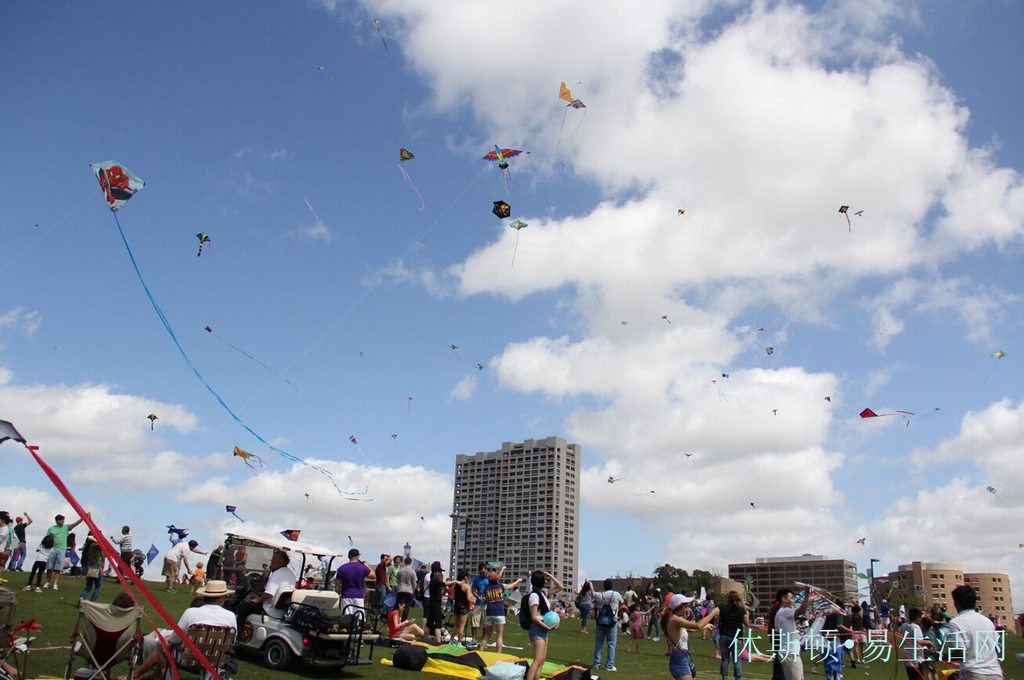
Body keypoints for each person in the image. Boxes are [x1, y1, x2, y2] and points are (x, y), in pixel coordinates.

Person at [131, 580, 237, 680]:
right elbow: (231, 641)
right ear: (222, 598)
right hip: (216, 660)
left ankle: (168, 677)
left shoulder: (191, 612)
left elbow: (175, 639)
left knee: (162, 644)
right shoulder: (231, 616)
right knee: (213, 654)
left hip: (189, 658)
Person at [945, 585, 1003, 680]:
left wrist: (940, 655)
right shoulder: (987, 621)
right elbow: (996, 647)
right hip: (995, 673)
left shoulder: (956, 622)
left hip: (974, 673)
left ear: (956, 603)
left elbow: (961, 653)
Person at [662, 593, 719, 680]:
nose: (687, 609)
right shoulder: (675, 620)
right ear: (679, 608)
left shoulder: (677, 619)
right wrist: (713, 613)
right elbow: (697, 625)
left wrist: (706, 626)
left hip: (683, 658)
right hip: (679, 660)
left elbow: (691, 629)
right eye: (686, 607)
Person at [235, 549, 296, 626]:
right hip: (282, 612)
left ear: (282, 560)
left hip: (269, 609)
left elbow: (268, 594)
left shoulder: (277, 573)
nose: (272, 560)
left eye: (274, 558)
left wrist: (257, 600)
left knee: (243, 606)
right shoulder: (291, 574)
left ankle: (237, 632)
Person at [526, 570, 563, 680]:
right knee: (537, 660)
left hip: (543, 629)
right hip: (538, 628)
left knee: (541, 660)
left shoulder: (543, 593)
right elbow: (533, 617)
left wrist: (550, 575)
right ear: (541, 582)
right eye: (545, 579)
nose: (546, 581)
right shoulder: (534, 596)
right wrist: (548, 627)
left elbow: (560, 587)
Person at [479, 570, 523, 654]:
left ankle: (480, 652)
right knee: (499, 636)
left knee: (487, 635)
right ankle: (498, 655)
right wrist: (518, 580)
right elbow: (511, 586)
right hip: (499, 613)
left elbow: (486, 598)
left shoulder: (486, 589)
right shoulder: (501, 586)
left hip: (489, 613)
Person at [773, 586, 811, 680]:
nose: (793, 600)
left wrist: (795, 628)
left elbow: (782, 630)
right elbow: (801, 610)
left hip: (789, 652)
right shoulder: (785, 611)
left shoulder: (781, 613)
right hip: (790, 653)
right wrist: (807, 595)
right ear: (784, 599)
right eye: (791, 598)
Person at [42, 513, 83, 590]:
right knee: (49, 567)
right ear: (57, 520)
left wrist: (83, 517)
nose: (63, 521)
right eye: (61, 519)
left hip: (62, 549)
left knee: (58, 568)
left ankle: (55, 584)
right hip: (52, 549)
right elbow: (46, 539)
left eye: (63, 519)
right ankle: (48, 582)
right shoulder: (51, 529)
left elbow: (75, 524)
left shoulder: (66, 527)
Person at [592, 578, 625, 672]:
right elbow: (622, 602)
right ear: (612, 586)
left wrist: (590, 585)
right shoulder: (616, 594)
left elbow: (593, 594)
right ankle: (609, 665)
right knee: (611, 644)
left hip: (600, 621)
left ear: (604, 586)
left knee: (599, 643)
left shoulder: (599, 595)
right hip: (612, 621)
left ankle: (596, 663)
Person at [718, 590, 750, 680]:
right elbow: (747, 623)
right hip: (737, 637)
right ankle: (737, 678)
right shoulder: (741, 610)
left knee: (725, 659)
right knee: (737, 659)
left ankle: (724, 677)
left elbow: (718, 620)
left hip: (724, 635)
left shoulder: (723, 608)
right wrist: (747, 614)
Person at [897, 608, 932, 680]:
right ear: (918, 618)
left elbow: (899, 631)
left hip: (907, 658)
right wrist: (929, 642)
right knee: (918, 677)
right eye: (920, 618)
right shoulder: (916, 627)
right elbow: (919, 641)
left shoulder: (904, 626)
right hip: (916, 659)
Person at [335, 548, 373, 613]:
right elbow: (373, 576)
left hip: (346, 596)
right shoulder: (362, 567)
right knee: (359, 617)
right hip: (359, 596)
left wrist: (338, 595)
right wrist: (367, 565)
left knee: (346, 618)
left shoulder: (342, 568)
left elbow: (337, 584)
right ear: (358, 556)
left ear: (349, 556)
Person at [78, 533, 105, 602]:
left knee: (88, 587)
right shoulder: (94, 546)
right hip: (97, 567)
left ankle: (82, 597)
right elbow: (100, 545)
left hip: (90, 567)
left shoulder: (90, 547)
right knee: (98, 586)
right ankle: (91, 602)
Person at [426, 561, 448, 643]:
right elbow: (444, 583)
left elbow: (439, 593)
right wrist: (455, 582)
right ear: (436, 572)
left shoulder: (434, 581)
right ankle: (438, 641)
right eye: (440, 572)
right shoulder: (434, 581)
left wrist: (444, 591)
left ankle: (426, 639)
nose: (441, 574)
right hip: (435, 604)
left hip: (434, 603)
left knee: (430, 622)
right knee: (438, 623)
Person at [470, 562, 491, 643]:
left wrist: (488, 596)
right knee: (475, 623)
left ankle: (483, 640)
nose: (482, 574)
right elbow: (473, 590)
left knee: (485, 624)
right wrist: (478, 596)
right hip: (478, 603)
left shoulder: (490, 578)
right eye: (481, 572)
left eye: (484, 572)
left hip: (487, 603)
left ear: (486, 570)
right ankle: (473, 639)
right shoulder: (476, 579)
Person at [451, 569, 472, 643]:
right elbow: (469, 598)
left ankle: (451, 640)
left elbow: (453, 597)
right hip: (464, 606)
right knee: (462, 626)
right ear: (465, 577)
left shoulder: (455, 586)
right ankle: (459, 642)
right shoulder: (466, 586)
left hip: (456, 605)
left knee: (456, 625)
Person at [395, 555, 417, 620]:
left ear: (404, 562)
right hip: (409, 590)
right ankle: (404, 620)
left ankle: (397, 618)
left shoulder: (400, 571)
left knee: (400, 606)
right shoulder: (412, 572)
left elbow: (397, 580)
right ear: (411, 563)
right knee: (407, 607)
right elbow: (414, 583)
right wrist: (413, 590)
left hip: (401, 589)